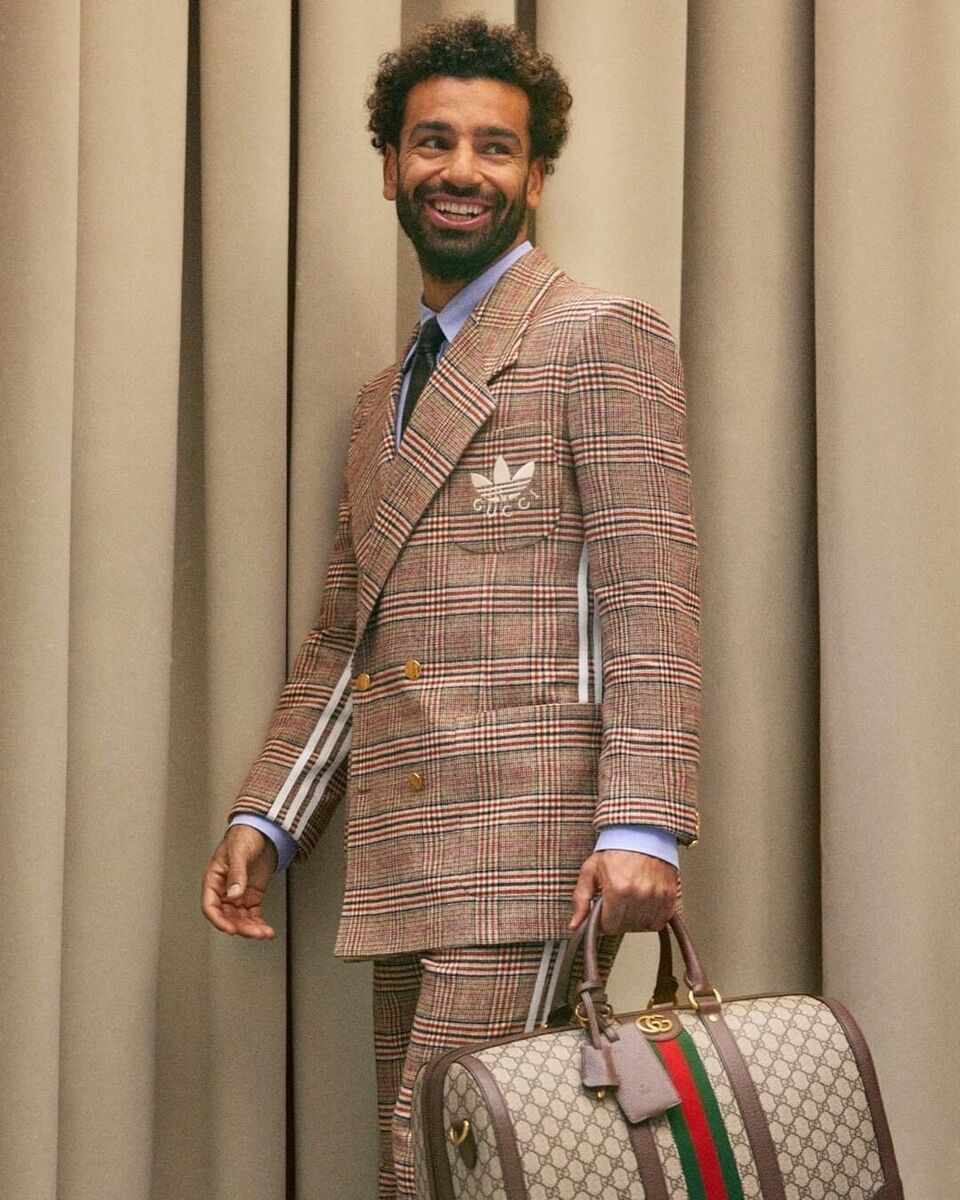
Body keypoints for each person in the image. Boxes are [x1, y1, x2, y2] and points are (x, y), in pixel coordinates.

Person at [201, 16, 700, 1198]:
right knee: (445, 1168)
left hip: (541, 858)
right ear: (390, 165)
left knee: (452, 1169)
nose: (460, 169)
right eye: (433, 141)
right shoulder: (382, 402)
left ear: (536, 175)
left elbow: (651, 592)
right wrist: (270, 815)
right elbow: (348, 636)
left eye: (494, 146)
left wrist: (643, 826)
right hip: (407, 862)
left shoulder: (599, 335)